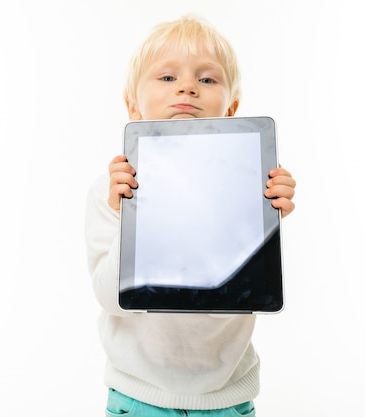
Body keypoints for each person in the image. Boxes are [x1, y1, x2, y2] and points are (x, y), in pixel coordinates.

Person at [84, 14, 296, 416]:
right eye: (166, 78)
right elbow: (110, 298)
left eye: (207, 79)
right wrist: (124, 215)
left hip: (228, 398)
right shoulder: (108, 192)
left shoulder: (246, 186)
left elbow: (238, 291)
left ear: (231, 108)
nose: (186, 87)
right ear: (133, 105)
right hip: (138, 397)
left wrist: (266, 220)